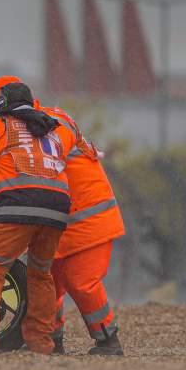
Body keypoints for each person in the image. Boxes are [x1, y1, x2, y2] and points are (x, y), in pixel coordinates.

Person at [0, 76, 80, 355]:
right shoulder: (53, 129)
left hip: (18, 205)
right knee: (40, 273)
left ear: (0, 102)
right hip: (56, 210)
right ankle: (41, 343)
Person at [41, 109, 124, 356]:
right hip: (66, 225)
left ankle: (108, 340)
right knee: (48, 284)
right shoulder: (47, 129)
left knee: (82, 282)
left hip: (90, 224)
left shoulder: (52, 132)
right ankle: (52, 340)